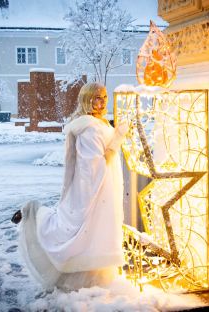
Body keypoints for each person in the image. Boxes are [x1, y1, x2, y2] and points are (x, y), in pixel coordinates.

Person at [12, 82, 129, 291]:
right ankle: (31, 212)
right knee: (84, 231)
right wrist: (117, 140)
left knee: (95, 232)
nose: (101, 102)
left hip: (104, 187)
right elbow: (91, 167)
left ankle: (97, 278)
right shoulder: (89, 128)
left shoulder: (97, 123)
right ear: (86, 99)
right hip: (96, 188)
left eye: (104, 97)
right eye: (96, 98)